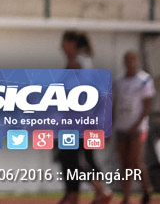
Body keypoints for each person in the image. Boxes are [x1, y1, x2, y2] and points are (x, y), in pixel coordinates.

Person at [58, 30, 113, 204]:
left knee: (73, 157)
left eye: (65, 43)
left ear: (72, 44)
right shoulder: (86, 62)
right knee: (82, 157)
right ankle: (95, 191)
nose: (62, 47)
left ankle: (96, 191)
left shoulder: (77, 63)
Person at [114, 50, 154, 204]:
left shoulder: (144, 80)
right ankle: (126, 197)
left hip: (138, 128)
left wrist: (135, 125)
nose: (130, 63)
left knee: (135, 161)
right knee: (124, 163)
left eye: (133, 60)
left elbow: (146, 107)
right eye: (127, 60)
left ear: (137, 61)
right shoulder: (119, 82)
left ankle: (146, 188)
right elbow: (114, 106)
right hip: (121, 127)